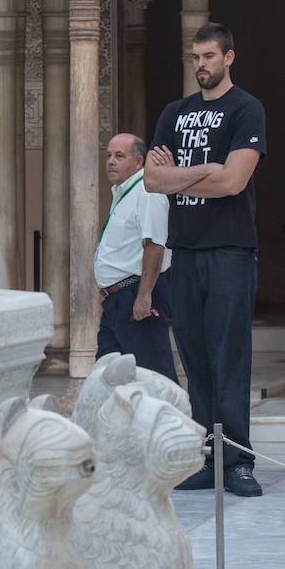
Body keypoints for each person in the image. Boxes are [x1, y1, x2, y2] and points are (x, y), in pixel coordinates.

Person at [145, 22, 265, 497]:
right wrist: (204, 171)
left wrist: (180, 174)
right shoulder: (175, 113)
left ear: (229, 57)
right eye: (196, 58)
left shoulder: (245, 109)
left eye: (210, 57)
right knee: (194, 357)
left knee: (228, 354)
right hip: (187, 250)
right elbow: (153, 181)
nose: (201, 66)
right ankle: (205, 456)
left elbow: (234, 181)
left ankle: (238, 460)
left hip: (231, 250)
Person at [94, 133, 177, 382]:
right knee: (108, 376)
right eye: (108, 155)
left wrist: (144, 296)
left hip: (136, 295)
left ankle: (175, 421)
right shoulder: (125, 192)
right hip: (115, 301)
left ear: (139, 161)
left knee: (154, 377)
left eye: (120, 156)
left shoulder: (147, 191)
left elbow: (155, 245)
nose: (111, 161)